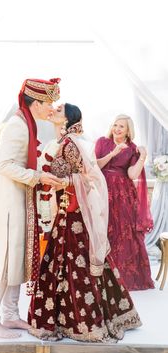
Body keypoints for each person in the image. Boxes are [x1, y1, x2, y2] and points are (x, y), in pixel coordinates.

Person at [28, 104, 142, 342]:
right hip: (64, 212)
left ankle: (86, 321)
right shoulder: (63, 142)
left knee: (79, 264)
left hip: (74, 214)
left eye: (59, 111)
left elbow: (91, 178)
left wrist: (66, 181)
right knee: (65, 264)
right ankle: (65, 317)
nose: (54, 112)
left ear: (68, 119)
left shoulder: (71, 144)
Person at [0, 78, 63, 339]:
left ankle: (11, 314)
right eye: (49, 103)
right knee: (5, 261)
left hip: (21, 201)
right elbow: (3, 165)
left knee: (18, 259)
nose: (52, 108)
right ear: (36, 103)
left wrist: (39, 174)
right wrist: (38, 177)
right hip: (9, 204)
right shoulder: (18, 125)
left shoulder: (28, 123)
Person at [95, 114, 154, 291]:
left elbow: (132, 175)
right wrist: (113, 153)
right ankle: (102, 276)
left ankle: (123, 277)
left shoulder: (132, 148)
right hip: (103, 190)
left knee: (123, 232)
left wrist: (142, 156)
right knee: (103, 229)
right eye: (115, 125)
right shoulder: (102, 142)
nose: (117, 129)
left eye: (122, 127)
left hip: (123, 195)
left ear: (128, 131)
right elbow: (96, 166)